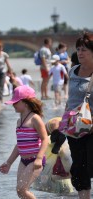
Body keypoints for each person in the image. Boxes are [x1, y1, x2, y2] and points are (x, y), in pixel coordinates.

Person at [0, 85, 48, 199]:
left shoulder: (35, 118)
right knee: (20, 192)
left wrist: (39, 158)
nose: (13, 105)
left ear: (26, 103)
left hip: (35, 160)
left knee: (22, 189)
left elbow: (45, 139)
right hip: (23, 161)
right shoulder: (19, 121)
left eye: (15, 102)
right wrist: (9, 163)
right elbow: (19, 145)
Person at [63, 32, 93, 199]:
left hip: (91, 127)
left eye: (85, 50)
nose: (80, 53)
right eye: (78, 49)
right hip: (74, 127)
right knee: (79, 169)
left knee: (90, 165)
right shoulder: (73, 71)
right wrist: (62, 123)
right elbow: (70, 99)